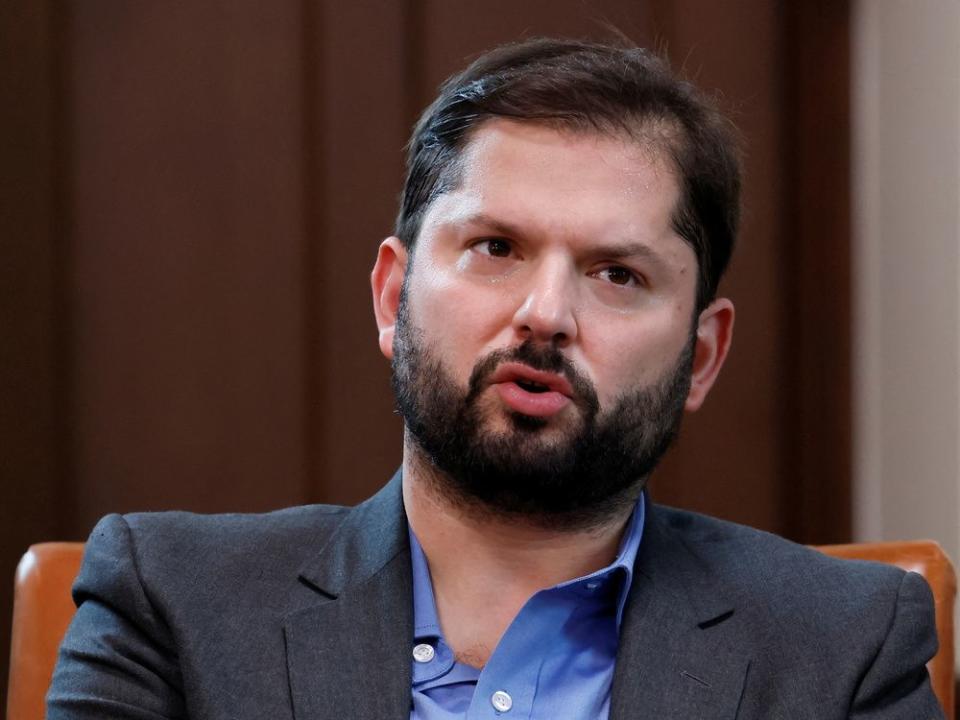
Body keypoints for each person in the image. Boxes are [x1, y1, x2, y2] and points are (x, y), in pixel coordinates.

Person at [48, 38, 941, 719]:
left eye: (617, 274)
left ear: (702, 356)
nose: (546, 312)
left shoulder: (847, 646)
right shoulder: (168, 602)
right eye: (496, 248)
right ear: (393, 297)